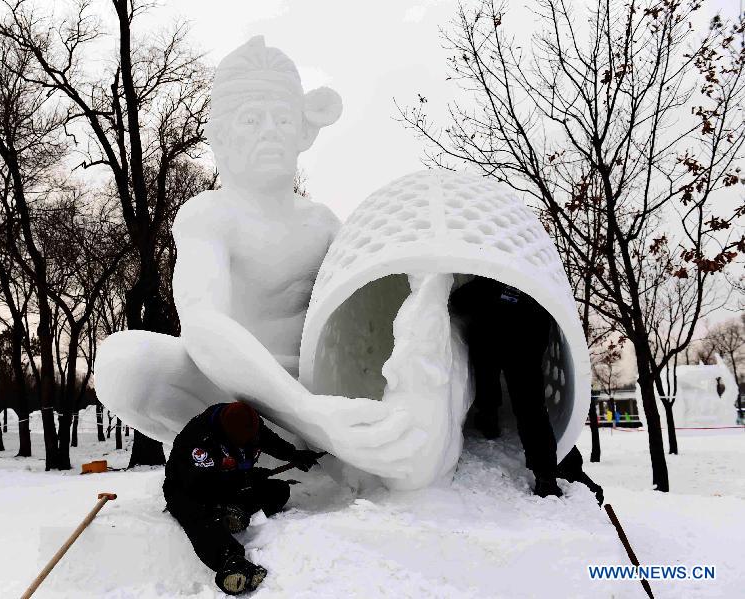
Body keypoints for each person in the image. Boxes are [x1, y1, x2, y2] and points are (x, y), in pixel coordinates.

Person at [94, 36, 421, 480]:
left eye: (283, 118)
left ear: (304, 133)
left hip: (320, 390)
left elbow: (375, 310)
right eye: (251, 119)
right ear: (220, 136)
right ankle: (221, 455)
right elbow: (204, 324)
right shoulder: (209, 215)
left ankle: (321, 457)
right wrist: (304, 411)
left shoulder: (325, 225)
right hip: (235, 393)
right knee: (122, 362)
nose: (269, 130)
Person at [450, 276, 602, 500]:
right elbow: (548, 320)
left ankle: (489, 418)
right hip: (523, 347)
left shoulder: (488, 282)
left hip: (495, 341)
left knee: (491, 383)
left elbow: (458, 302)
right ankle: (545, 478)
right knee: (530, 408)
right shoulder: (534, 285)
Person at [164, 400, 322, 595]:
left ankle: (235, 514)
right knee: (199, 515)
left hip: (228, 484)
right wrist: (242, 477)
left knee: (279, 490)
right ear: (226, 433)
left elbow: (271, 442)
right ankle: (230, 561)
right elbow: (199, 484)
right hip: (189, 488)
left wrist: (295, 455)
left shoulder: (250, 423)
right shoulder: (199, 440)